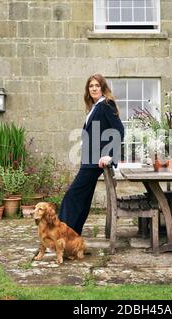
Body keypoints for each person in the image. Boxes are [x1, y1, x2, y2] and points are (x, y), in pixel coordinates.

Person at [58, 74, 125, 235]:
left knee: (72, 196)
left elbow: (120, 131)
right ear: (88, 90)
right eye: (91, 86)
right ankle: (73, 235)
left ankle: (61, 233)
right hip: (89, 160)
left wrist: (110, 156)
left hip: (95, 161)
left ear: (103, 88)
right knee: (83, 199)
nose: (94, 88)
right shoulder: (94, 107)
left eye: (97, 85)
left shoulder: (106, 105)